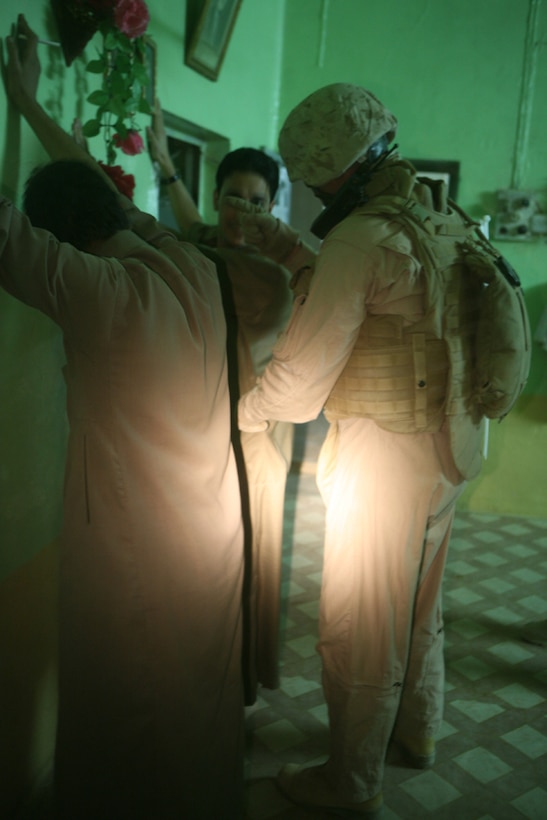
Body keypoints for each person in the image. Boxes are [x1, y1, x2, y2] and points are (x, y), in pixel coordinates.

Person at [2, 16, 244, 818]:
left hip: (137, 548)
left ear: (63, 239)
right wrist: (26, 106)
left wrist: (26, 106)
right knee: (190, 699)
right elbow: (101, 194)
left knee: (125, 706)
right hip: (209, 539)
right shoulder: (187, 266)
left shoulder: (101, 298)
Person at [237, 83, 490, 817]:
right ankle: (418, 734)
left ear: (331, 172)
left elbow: (299, 388)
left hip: (385, 455)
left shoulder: (357, 237)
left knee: (360, 626)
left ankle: (348, 785)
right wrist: (294, 252)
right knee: (417, 606)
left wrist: (237, 408)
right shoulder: (439, 214)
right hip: (452, 443)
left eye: (313, 183)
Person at [147, 104, 316, 702]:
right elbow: (192, 225)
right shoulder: (204, 244)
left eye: (256, 201)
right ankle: (208, 668)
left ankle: (239, 680)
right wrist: (165, 164)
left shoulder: (278, 272)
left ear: (273, 208)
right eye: (232, 198)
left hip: (256, 436)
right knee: (201, 554)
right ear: (218, 198)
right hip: (202, 429)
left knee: (250, 550)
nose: (242, 212)